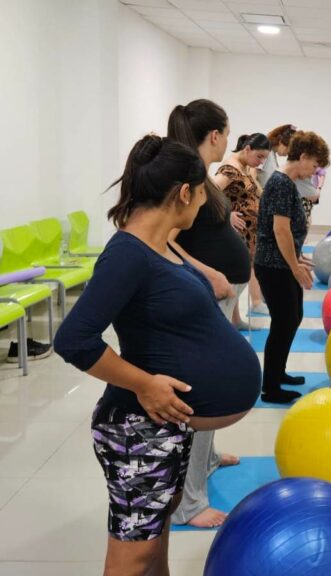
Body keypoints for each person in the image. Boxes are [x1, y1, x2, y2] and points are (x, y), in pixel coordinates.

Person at [53, 135, 260, 576]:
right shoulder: (126, 255)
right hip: (136, 431)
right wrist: (145, 384)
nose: (204, 205)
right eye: (202, 194)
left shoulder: (160, 243)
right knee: (133, 556)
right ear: (184, 193)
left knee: (156, 537)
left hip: (165, 425)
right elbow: (73, 339)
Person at [166, 99, 251, 529]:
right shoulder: (189, 174)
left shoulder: (201, 176)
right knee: (206, 391)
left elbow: (197, 226)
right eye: (226, 131)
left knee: (213, 384)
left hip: (223, 290)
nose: (228, 140)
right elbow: (165, 237)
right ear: (214, 135)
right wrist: (209, 272)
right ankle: (190, 503)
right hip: (209, 292)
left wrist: (225, 220)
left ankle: (211, 458)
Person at [255, 131, 330, 404]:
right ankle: (270, 387)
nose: (314, 171)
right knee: (283, 322)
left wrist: (297, 260)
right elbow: (280, 230)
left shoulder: (287, 183)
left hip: (282, 262)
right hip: (273, 265)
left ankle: (279, 372)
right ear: (304, 156)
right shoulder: (282, 183)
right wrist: (294, 266)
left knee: (293, 317)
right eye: (314, 165)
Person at [213, 133, 271, 329]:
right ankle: (225, 323)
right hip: (237, 235)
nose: (261, 162)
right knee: (235, 277)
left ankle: (235, 320)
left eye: (265, 158)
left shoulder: (246, 168)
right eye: (260, 157)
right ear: (247, 149)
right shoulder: (230, 169)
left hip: (249, 234)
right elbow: (209, 193)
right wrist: (227, 215)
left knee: (239, 277)